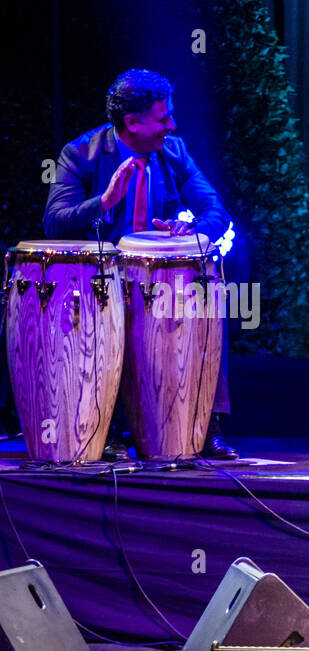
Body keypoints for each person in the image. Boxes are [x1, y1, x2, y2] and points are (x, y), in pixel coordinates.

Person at [42, 69, 237, 460]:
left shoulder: (175, 151)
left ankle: (205, 425)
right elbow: (54, 220)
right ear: (131, 122)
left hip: (159, 278)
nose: (173, 125)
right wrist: (105, 201)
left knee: (210, 299)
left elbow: (216, 211)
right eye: (163, 119)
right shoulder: (81, 153)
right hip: (103, 278)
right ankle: (108, 428)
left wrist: (188, 227)